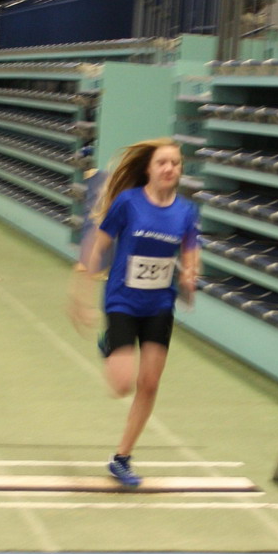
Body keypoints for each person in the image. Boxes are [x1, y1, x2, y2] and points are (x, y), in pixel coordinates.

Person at [71, 138, 199, 488]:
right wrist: (82, 288)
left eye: (175, 163)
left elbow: (191, 249)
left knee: (150, 384)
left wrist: (190, 273)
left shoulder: (186, 211)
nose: (170, 168)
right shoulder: (128, 203)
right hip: (123, 301)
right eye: (162, 163)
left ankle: (122, 458)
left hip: (159, 305)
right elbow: (99, 243)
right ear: (149, 168)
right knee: (122, 385)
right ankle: (111, 342)